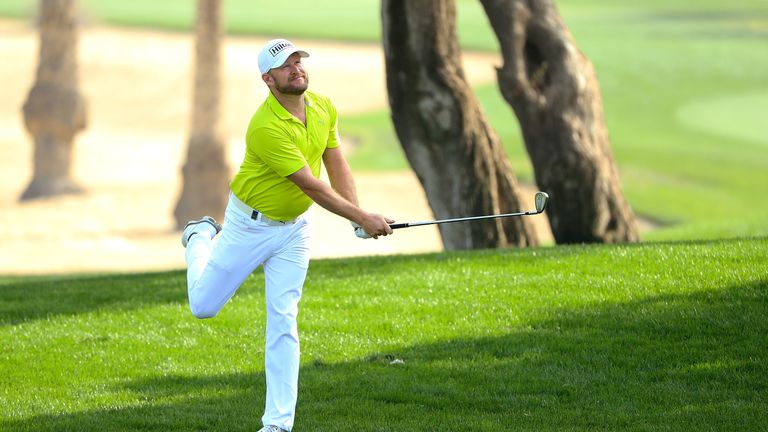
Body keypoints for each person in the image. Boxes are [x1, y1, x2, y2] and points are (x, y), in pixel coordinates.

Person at [180, 38, 394, 432]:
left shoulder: (323, 106)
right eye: (286, 65)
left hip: (294, 231)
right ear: (268, 78)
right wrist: (364, 217)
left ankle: (277, 424)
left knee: (283, 318)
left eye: (299, 61)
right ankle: (198, 237)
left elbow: (336, 163)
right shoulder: (265, 127)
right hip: (248, 225)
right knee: (203, 306)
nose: (296, 68)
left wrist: (355, 218)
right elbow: (312, 185)